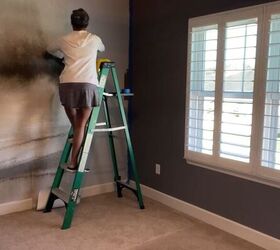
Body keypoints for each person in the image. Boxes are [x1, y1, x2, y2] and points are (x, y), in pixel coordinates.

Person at [47, 8, 105, 171]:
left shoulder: (63, 39)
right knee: (81, 125)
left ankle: (77, 133)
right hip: (88, 84)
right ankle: (73, 162)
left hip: (68, 83)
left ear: (72, 23)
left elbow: (48, 49)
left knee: (76, 121)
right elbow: (102, 49)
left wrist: (62, 57)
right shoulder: (94, 39)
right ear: (87, 23)